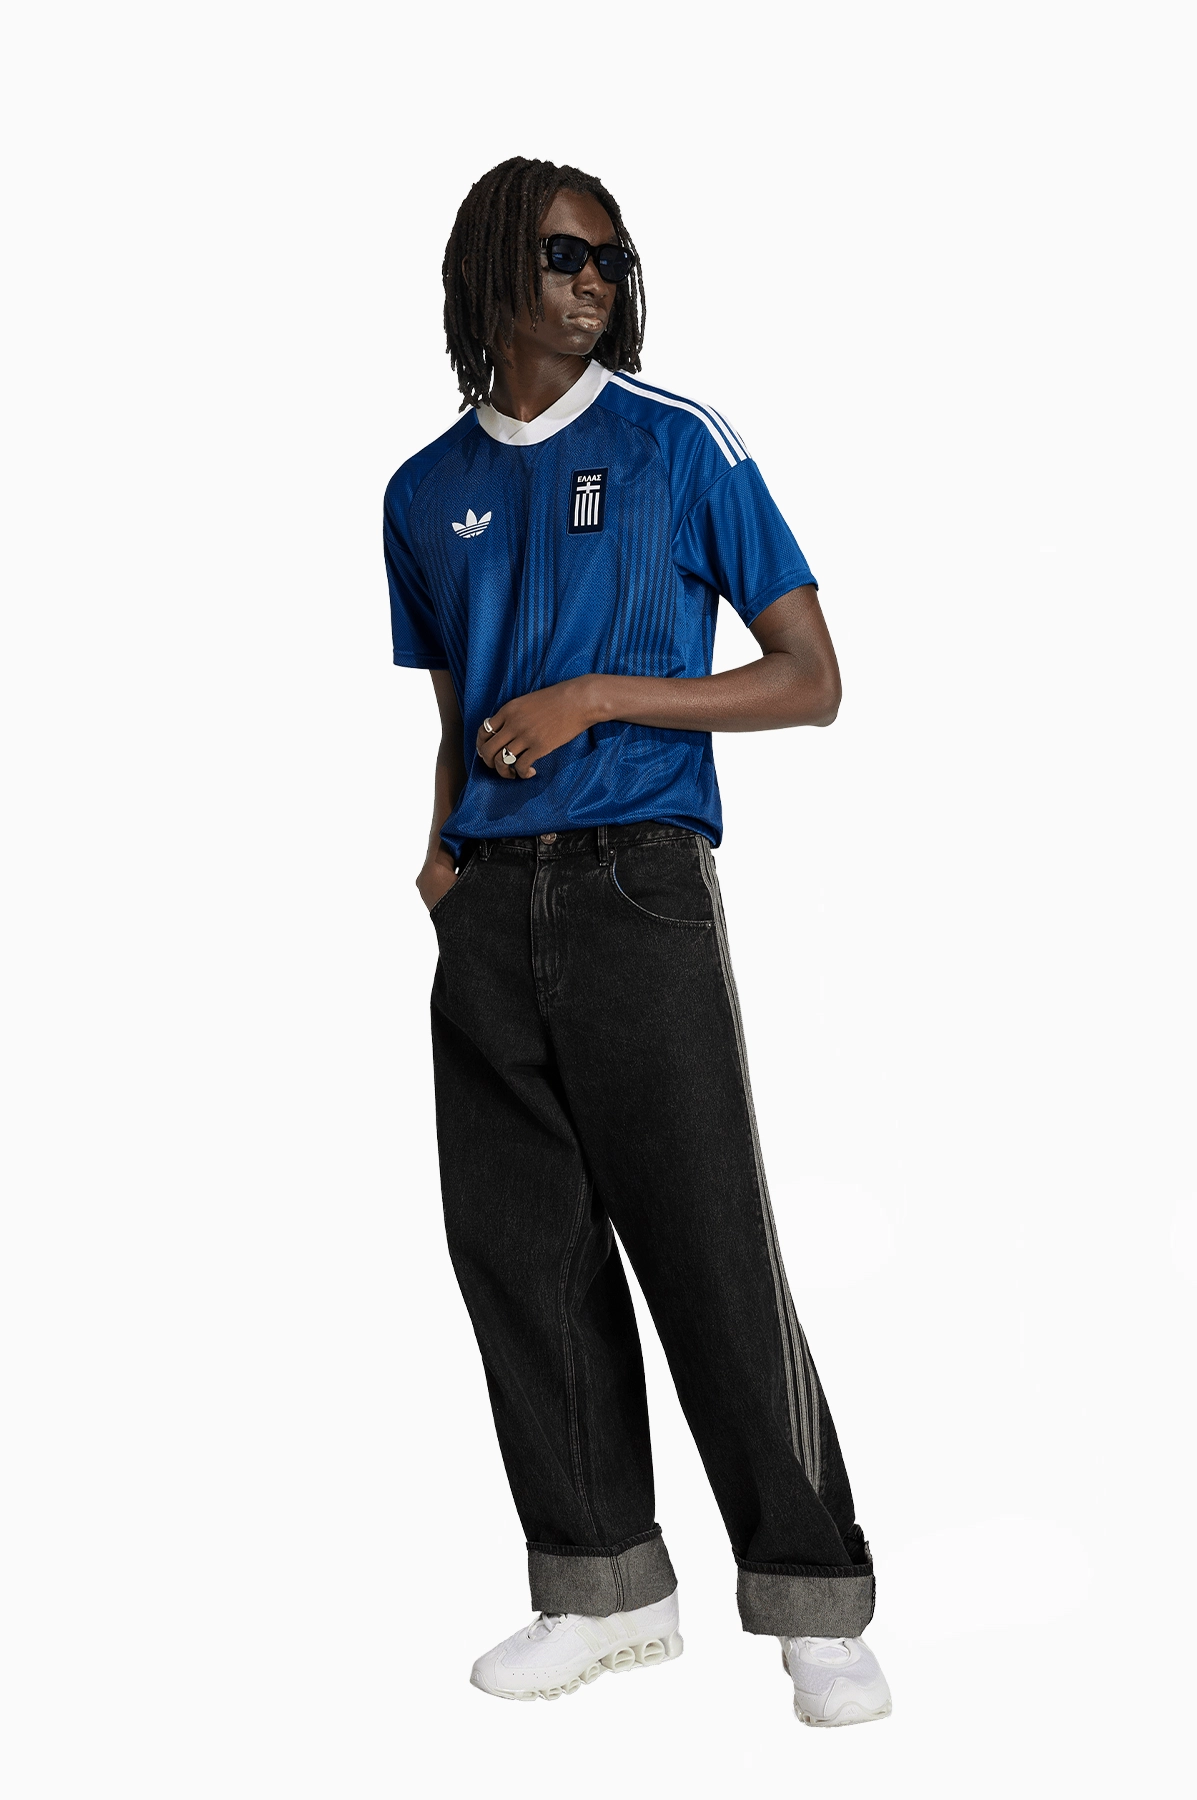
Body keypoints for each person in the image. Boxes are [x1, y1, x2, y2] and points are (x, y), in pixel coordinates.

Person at [383, 156, 891, 1728]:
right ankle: (601, 1587)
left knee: (706, 1241)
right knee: (519, 1253)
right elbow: (460, 705)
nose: (594, 280)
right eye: (562, 254)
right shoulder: (420, 492)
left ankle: (812, 1599)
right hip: (488, 903)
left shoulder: (680, 444)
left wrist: (599, 697)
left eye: (611, 257)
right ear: (492, 270)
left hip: (637, 886)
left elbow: (810, 678)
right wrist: (442, 855)